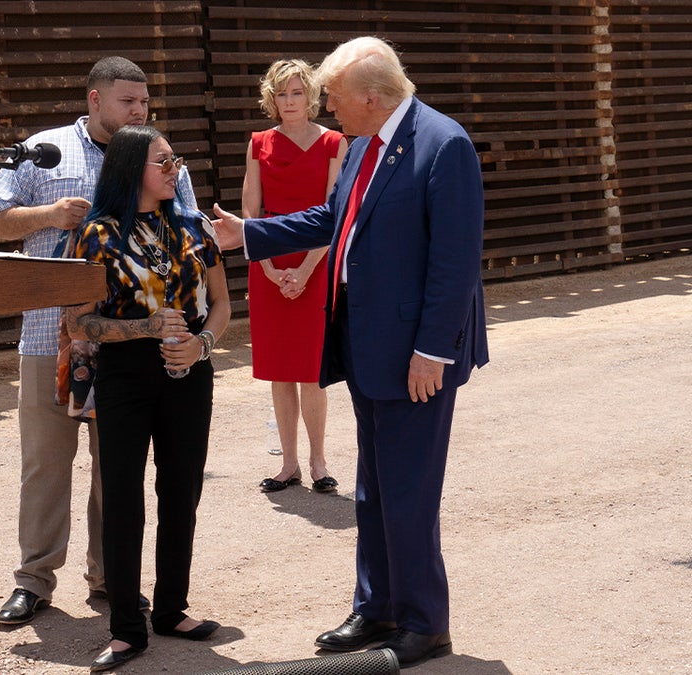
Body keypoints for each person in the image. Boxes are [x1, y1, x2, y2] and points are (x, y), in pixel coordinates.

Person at [212, 36, 488, 668]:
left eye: (332, 97)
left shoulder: (444, 145)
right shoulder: (366, 143)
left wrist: (433, 352)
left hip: (415, 355)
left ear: (370, 95)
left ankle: (424, 623)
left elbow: (454, 264)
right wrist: (248, 233)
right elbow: (332, 220)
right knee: (373, 487)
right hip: (364, 345)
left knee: (409, 488)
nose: (326, 108)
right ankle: (378, 607)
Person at [0, 56, 197, 626]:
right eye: (129, 102)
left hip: (131, 342)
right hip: (48, 334)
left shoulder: (158, 155)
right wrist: (49, 214)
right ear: (95, 99)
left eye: (145, 103)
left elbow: (189, 231)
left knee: (116, 467)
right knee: (46, 462)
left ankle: (109, 578)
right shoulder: (43, 150)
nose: (139, 111)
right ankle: (34, 579)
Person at [63, 125, 230, 672]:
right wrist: (147, 329)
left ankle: (171, 610)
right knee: (125, 500)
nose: (174, 167)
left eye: (175, 158)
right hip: (126, 376)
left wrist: (201, 345)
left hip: (189, 371)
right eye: (164, 160)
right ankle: (126, 630)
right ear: (133, 167)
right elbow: (79, 322)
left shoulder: (193, 225)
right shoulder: (96, 234)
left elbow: (224, 305)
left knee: (181, 491)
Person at [241, 59, 347, 494]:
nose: (289, 101)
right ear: (272, 98)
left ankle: (319, 462)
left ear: (311, 97)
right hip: (267, 261)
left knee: (310, 369)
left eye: (297, 93)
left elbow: (333, 212)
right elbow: (250, 208)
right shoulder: (258, 142)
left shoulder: (335, 143)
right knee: (279, 371)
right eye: (282, 93)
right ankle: (288, 465)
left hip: (316, 262)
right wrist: (267, 266)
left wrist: (304, 271)